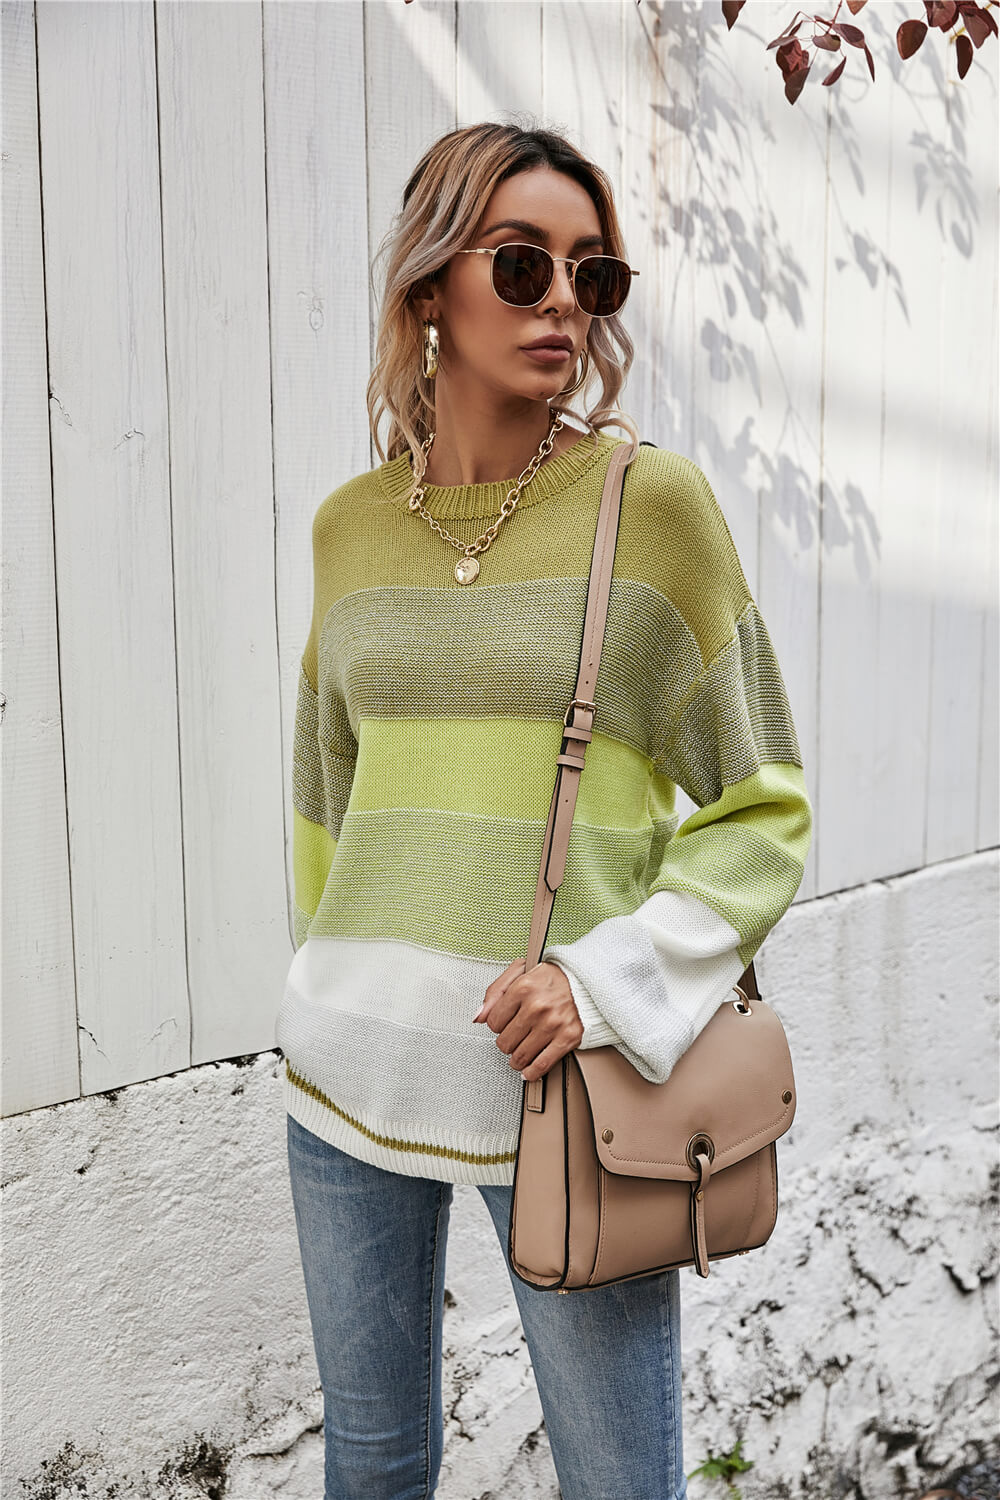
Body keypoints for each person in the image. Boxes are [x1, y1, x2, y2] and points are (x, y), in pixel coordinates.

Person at [275, 120, 813, 1500]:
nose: (564, 301)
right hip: (347, 1074)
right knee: (372, 1465)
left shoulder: (654, 509)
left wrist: (602, 982)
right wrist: (318, 981)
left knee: (620, 1478)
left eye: (594, 273)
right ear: (430, 289)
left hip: (567, 1089)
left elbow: (764, 807)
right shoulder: (349, 529)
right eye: (523, 264)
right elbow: (327, 804)